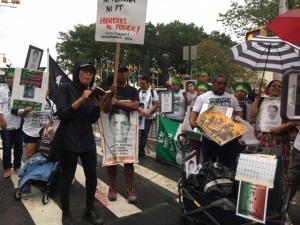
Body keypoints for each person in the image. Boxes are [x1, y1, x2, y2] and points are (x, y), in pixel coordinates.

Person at [53, 59, 103, 225]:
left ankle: (88, 210)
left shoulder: (91, 92)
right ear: (76, 71)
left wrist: (97, 106)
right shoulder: (65, 88)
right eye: (85, 70)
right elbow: (62, 114)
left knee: (92, 176)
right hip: (69, 140)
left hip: (87, 141)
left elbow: (91, 119)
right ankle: (66, 213)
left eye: (91, 71)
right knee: (67, 178)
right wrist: (81, 99)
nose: (89, 73)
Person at [100, 64, 139, 204]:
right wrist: (111, 96)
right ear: (115, 74)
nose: (123, 74)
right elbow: (105, 109)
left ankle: (129, 189)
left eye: (125, 72)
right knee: (112, 160)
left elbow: (135, 106)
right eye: (120, 72)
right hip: (111, 134)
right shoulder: (107, 91)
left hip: (128, 135)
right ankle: (113, 186)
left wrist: (119, 103)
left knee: (129, 161)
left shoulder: (133, 90)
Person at [190, 74, 243, 169]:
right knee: (209, 164)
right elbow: (195, 112)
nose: (222, 86)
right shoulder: (203, 97)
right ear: (213, 84)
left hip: (228, 137)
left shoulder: (232, 98)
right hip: (209, 137)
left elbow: (239, 112)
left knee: (228, 164)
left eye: (224, 84)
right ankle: (209, 182)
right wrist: (192, 120)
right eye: (219, 83)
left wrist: (238, 118)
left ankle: (226, 182)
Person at [250, 80, 298, 180]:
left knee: (278, 167)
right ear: (268, 88)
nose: (276, 88)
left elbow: (295, 121)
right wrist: (257, 99)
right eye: (274, 86)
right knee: (261, 165)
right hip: (262, 139)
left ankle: (277, 192)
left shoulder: (288, 104)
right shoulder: (262, 101)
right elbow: (252, 114)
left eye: (279, 86)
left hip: (279, 139)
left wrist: (280, 127)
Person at [0, 68, 23, 178]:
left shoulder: (20, 90)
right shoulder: (1, 90)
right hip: (6, 125)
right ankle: (7, 168)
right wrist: (1, 120)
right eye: (8, 77)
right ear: (6, 79)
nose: (10, 79)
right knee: (7, 147)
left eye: (12, 77)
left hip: (18, 124)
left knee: (18, 147)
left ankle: (17, 166)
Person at [19, 92, 56, 159]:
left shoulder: (51, 103)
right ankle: (30, 169)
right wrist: (26, 111)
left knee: (42, 156)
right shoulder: (28, 100)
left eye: (46, 89)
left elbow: (56, 116)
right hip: (30, 132)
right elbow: (21, 115)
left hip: (45, 134)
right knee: (30, 156)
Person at [138, 76, 159, 158]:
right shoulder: (137, 91)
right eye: (140, 83)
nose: (141, 85)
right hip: (138, 116)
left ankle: (141, 152)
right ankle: (135, 150)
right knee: (136, 134)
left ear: (148, 84)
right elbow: (135, 102)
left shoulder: (153, 92)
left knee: (144, 134)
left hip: (148, 117)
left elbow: (156, 104)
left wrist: (150, 111)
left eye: (143, 83)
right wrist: (140, 110)